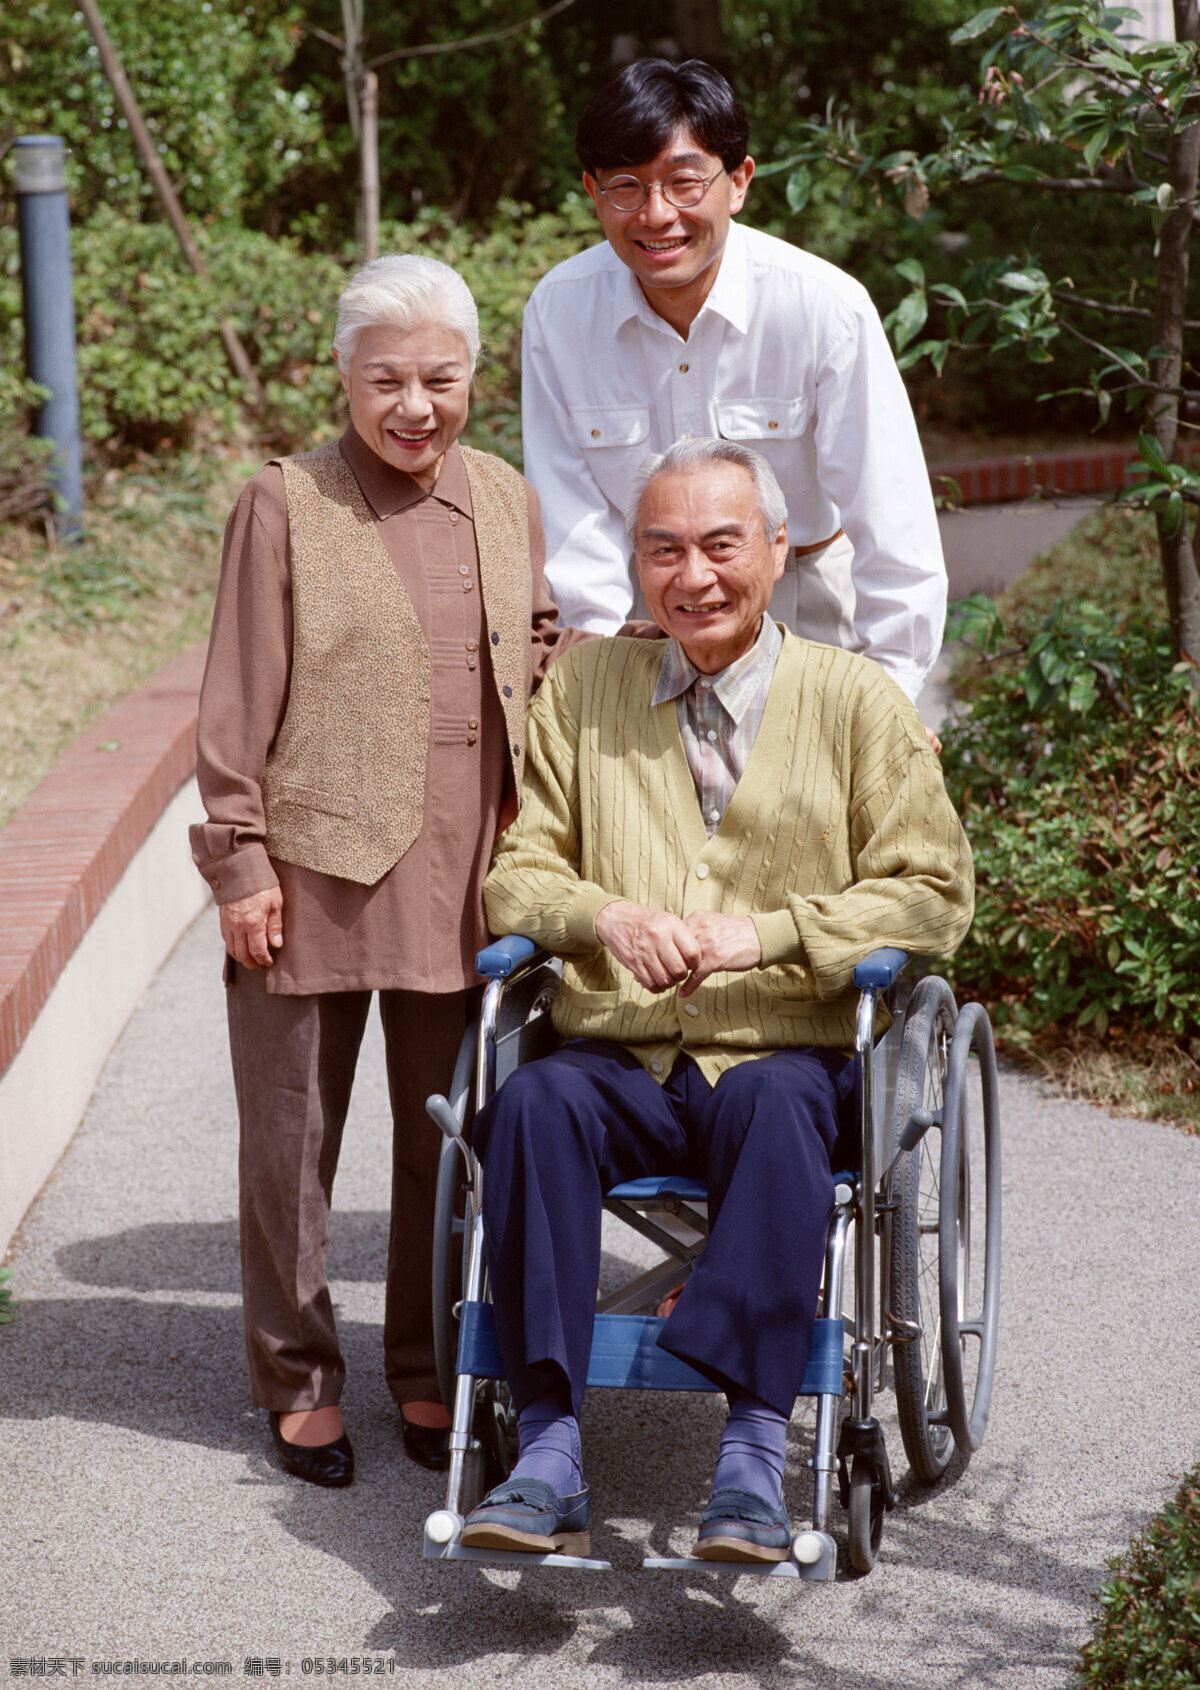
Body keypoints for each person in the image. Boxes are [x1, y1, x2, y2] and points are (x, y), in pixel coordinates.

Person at [459, 437, 973, 1561]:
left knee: (778, 1109)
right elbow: (520, 873)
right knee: (537, 1103)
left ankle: (749, 1452)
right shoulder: (586, 689)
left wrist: (773, 934)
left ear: (778, 549)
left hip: (785, 1050)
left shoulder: (854, 700)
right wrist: (608, 919)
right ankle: (546, 1446)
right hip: (624, 1053)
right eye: (664, 549)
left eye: (720, 545)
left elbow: (934, 894)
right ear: (636, 562)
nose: (692, 575)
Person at [190, 254, 588, 1488]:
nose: (414, 405)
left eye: (441, 378)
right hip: (308, 869)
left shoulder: (507, 497)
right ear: (346, 381)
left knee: (447, 1139)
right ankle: (297, 1376)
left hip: (464, 870)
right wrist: (239, 859)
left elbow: (531, 644)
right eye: (387, 381)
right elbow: (235, 693)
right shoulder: (285, 501)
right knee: (291, 1140)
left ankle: (425, 1366)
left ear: (476, 378)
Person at [521, 57, 946, 706]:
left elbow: (892, 521)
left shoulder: (822, 307)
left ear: (738, 182)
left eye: (685, 182)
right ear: (593, 192)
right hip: (647, 613)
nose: (657, 215)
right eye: (626, 187)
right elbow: (575, 525)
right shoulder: (559, 312)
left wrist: (895, 693)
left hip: (803, 600)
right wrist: (600, 689)